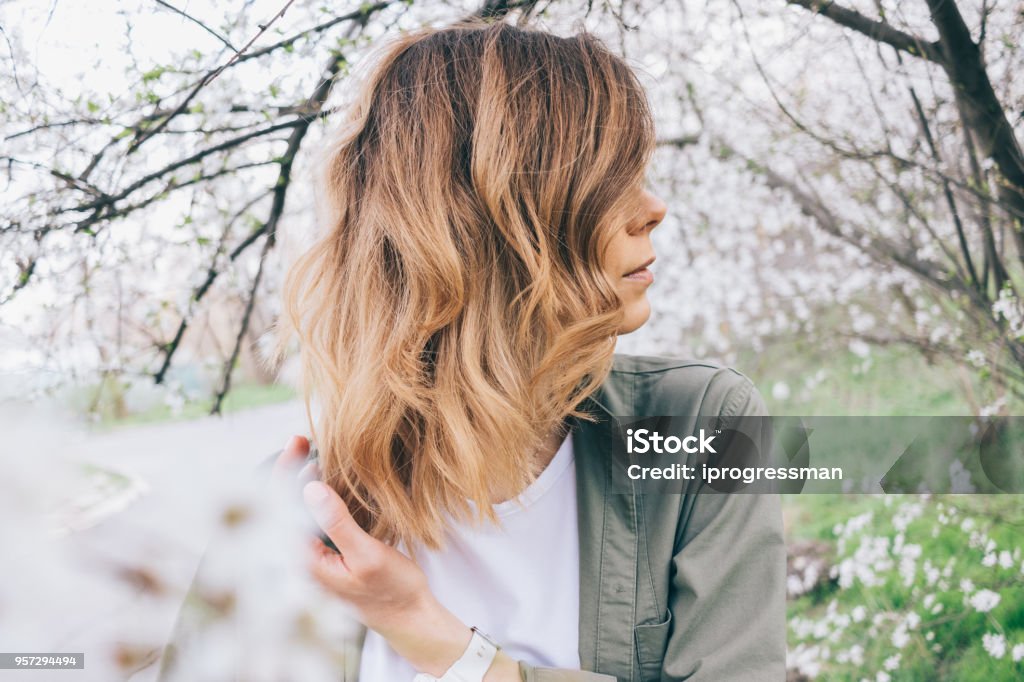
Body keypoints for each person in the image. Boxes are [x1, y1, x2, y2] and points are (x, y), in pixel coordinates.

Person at [159, 17, 786, 682]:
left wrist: (442, 645)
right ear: (487, 218)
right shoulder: (298, 510)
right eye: (611, 177)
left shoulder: (704, 427)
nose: (654, 206)